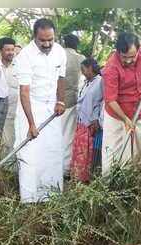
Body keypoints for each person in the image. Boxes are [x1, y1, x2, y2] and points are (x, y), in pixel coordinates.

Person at [15, 18, 66, 203]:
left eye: (50, 39)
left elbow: (61, 77)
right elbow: (24, 92)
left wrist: (60, 100)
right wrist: (31, 123)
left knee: (52, 151)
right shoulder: (24, 56)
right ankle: (29, 200)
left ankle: (51, 196)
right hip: (30, 107)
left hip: (51, 107)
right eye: (42, 40)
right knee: (30, 155)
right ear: (34, 37)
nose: (47, 44)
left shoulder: (60, 51)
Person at [102, 32, 141, 174]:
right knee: (113, 153)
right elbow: (111, 100)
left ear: (138, 50)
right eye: (124, 57)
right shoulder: (111, 68)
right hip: (117, 115)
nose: (129, 61)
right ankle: (110, 184)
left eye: (132, 57)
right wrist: (125, 119)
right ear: (118, 52)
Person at [70, 58, 103, 182]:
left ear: (90, 68)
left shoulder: (100, 82)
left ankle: (84, 178)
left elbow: (101, 102)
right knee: (79, 151)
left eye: (83, 69)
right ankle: (77, 177)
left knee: (86, 152)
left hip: (90, 122)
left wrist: (96, 118)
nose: (82, 72)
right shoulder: (87, 82)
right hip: (81, 121)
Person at [61, 34, 86, 177]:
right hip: (72, 101)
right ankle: (65, 169)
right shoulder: (80, 58)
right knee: (69, 135)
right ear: (77, 44)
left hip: (55, 101)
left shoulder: (57, 55)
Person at [0, 37, 19, 155]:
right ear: (0, 50)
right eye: (7, 50)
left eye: (12, 49)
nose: (11, 52)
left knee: (13, 139)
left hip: (16, 111)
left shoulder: (20, 65)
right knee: (1, 141)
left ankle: (13, 169)